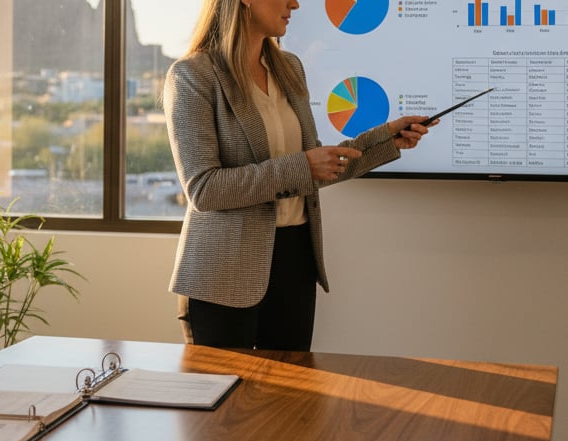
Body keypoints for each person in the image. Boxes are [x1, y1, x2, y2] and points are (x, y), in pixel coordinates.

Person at [165, 0, 434, 351]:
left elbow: (313, 168)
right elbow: (204, 189)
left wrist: (385, 140)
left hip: (295, 262)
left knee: (289, 404)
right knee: (228, 403)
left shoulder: (289, 68)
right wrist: (302, 167)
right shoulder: (192, 75)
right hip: (223, 274)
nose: (295, 3)